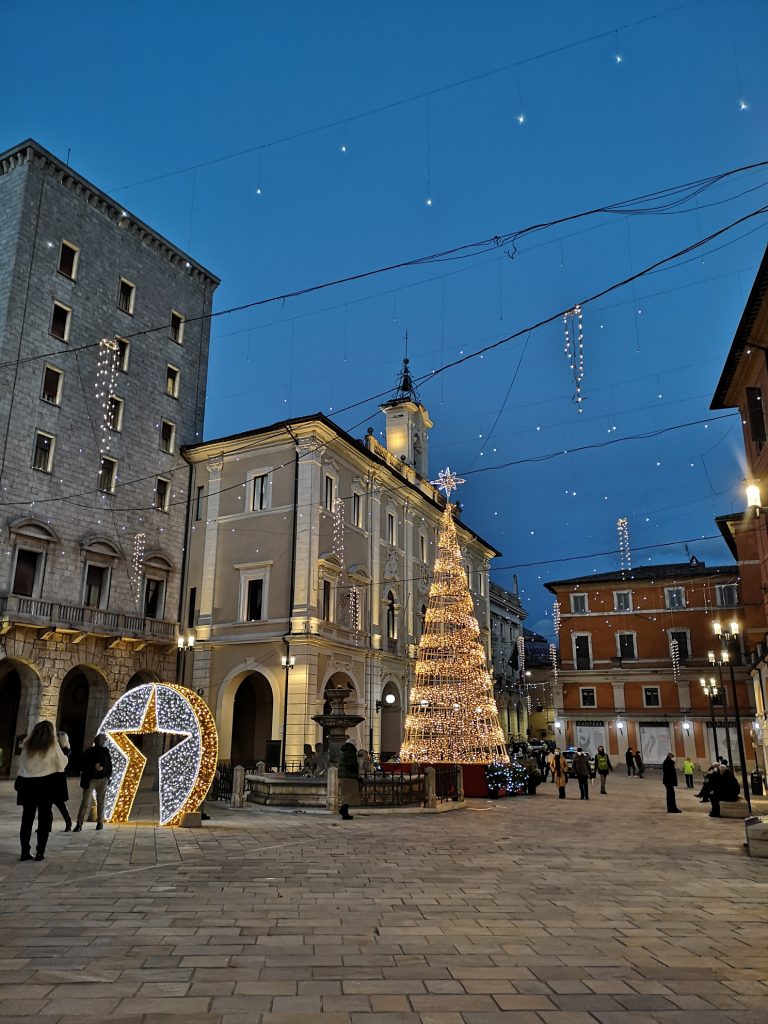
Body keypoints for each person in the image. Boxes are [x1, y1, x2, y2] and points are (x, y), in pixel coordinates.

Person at [15, 720, 69, 861]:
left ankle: (24, 852)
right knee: (44, 819)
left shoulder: (27, 745)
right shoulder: (52, 745)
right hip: (46, 785)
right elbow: (62, 764)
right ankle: (40, 852)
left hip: (28, 785)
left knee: (27, 819)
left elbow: (22, 764)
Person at [73, 734, 112, 831]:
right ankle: (79, 823)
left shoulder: (106, 752)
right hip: (91, 779)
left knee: (101, 802)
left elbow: (109, 765)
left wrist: (107, 776)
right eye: (104, 739)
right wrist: (93, 767)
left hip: (103, 779)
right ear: (99, 741)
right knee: (85, 802)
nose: (105, 741)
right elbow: (82, 764)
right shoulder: (90, 752)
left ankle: (100, 822)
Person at [52, 729, 72, 831]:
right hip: (52, 777)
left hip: (58, 778)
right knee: (47, 804)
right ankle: (46, 825)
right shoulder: (55, 749)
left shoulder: (65, 751)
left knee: (60, 804)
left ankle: (68, 823)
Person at [338, 740, 360, 821]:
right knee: (349, 794)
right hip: (349, 775)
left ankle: (344, 812)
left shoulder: (344, 750)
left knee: (346, 794)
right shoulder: (350, 751)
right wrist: (356, 773)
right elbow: (351, 763)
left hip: (343, 775)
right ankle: (343, 811)